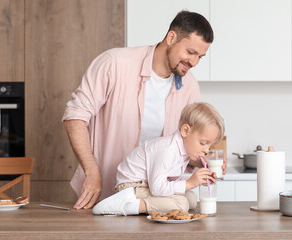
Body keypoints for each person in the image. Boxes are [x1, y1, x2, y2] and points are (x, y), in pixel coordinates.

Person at [62, 10, 215, 209]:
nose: (194, 63)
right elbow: (75, 117)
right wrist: (91, 171)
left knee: (187, 203)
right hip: (104, 192)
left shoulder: (189, 86)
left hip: (156, 196)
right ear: (171, 38)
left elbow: (184, 144)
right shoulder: (114, 63)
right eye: (190, 52)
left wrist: (205, 159)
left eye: (200, 57)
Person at [92, 102, 225, 215]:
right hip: (132, 186)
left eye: (210, 145)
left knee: (191, 198)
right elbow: (157, 188)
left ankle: (139, 204)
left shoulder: (184, 149)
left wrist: (200, 177)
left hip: (148, 184)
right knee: (182, 204)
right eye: (203, 143)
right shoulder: (167, 150)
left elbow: (165, 181)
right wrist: (190, 183)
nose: (207, 150)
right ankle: (125, 206)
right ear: (185, 131)